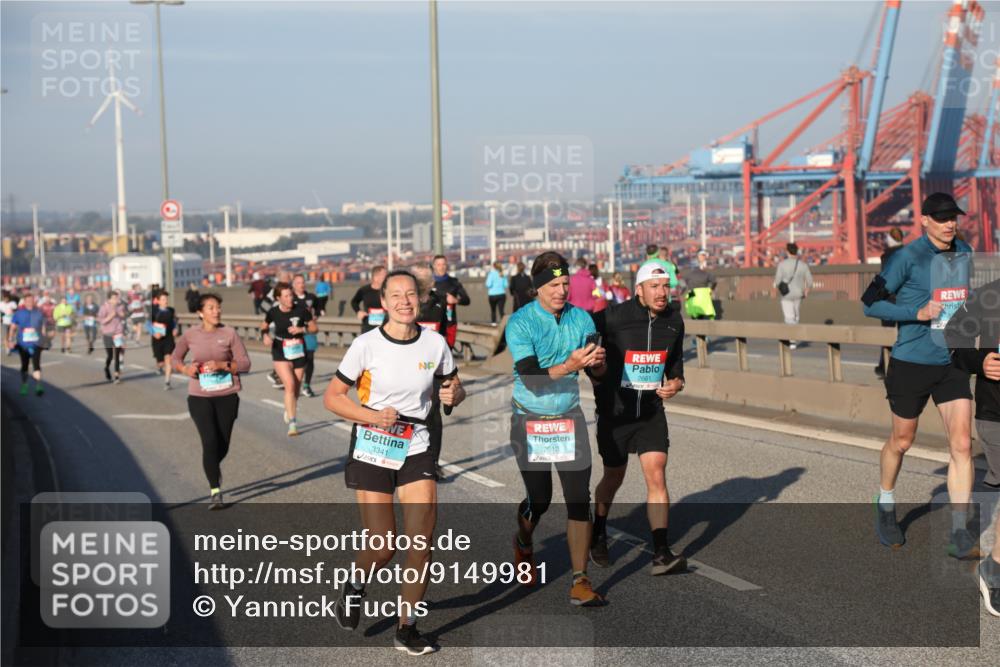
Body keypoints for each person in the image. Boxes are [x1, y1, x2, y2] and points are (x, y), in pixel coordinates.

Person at [324, 270, 465, 655]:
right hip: (373, 444)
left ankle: (407, 627)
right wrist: (371, 417)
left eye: (410, 295)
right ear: (383, 302)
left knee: (421, 540)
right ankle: (355, 582)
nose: (404, 301)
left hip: (417, 444)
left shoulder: (435, 344)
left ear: (419, 300)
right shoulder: (366, 346)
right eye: (395, 295)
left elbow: (454, 386)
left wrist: (455, 396)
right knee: (383, 545)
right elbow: (333, 397)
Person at [861, 192, 976, 556]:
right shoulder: (905, 257)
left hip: (953, 361)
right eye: (941, 217)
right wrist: (917, 312)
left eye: (953, 217)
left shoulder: (966, 252)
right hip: (912, 361)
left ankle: (959, 532)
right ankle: (886, 500)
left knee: (961, 445)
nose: (949, 223)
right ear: (924, 220)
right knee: (903, 440)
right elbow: (869, 304)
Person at [506, 251, 608, 607]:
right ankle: (523, 541)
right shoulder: (520, 323)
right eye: (553, 285)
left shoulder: (582, 319)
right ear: (538, 288)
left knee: (579, 500)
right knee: (540, 500)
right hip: (529, 420)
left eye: (565, 283)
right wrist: (569, 365)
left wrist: (597, 364)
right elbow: (532, 378)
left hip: (569, 419)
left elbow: (597, 375)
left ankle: (580, 580)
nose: (562, 290)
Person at [589, 262, 687, 575]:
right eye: (655, 287)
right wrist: (595, 369)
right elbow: (586, 344)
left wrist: (675, 384)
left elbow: (676, 367)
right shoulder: (613, 317)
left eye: (666, 287)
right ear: (639, 290)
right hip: (615, 413)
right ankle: (598, 531)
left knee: (656, 474)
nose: (662, 293)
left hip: (650, 413)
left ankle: (661, 552)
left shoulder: (674, 321)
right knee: (613, 478)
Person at [946, 275, 1000, 616]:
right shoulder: (990, 295)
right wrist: (979, 361)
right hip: (996, 412)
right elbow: (952, 335)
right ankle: (994, 569)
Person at [172, 293, 251, 510]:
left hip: (227, 395)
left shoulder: (229, 333)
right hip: (200, 396)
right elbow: (175, 358)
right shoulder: (190, 335)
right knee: (209, 442)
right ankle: (215, 490)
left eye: (218, 307)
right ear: (200, 313)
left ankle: (212, 468)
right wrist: (186, 369)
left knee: (222, 445)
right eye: (211, 308)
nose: (216, 311)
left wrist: (223, 365)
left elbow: (245, 363)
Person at [262, 282, 317, 436]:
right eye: (286, 296)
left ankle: (289, 408)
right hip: (280, 351)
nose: (290, 298)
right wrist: (265, 335)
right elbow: (263, 326)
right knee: (290, 385)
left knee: (296, 389)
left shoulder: (301, 310)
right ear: (278, 298)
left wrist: (302, 329)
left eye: (291, 295)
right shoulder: (273, 312)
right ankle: (293, 423)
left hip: (299, 351)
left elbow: (314, 328)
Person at [412, 263, 451, 480]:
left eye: (428, 277)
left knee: (433, 414)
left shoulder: (439, 301)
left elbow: (443, 333)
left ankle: (433, 463)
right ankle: (410, 458)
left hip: (434, 367)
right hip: (410, 367)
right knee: (412, 411)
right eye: (424, 277)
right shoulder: (408, 303)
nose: (429, 280)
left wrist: (448, 370)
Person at [875, 227, 907, 379]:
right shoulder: (910, 253)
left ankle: (884, 366)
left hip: (888, 300)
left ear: (891, 239)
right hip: (906, 299)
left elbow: (884, 278)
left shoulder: (886, 257)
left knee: (886, 334)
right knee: (906, 333)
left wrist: (869, 297)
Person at [773, 243, 813, 348]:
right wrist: (807, 290)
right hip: (798, 294)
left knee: (788, 317)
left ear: (787, 252)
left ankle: (792, 340)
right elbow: (810, 281)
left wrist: (782, 285)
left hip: (786, 294)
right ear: (797, 252)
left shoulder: (782, 265)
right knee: (796, 316)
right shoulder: (803, 265)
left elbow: (777, 281)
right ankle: (793, 338)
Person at [6, 293, 46, 396]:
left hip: (36, 343)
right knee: (25, 365)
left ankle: (38, 385)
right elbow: (13, 327)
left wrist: (44, 338)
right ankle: (24, 384)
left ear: (34, 301)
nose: (30, 302)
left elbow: (43, 327)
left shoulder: (39, 313)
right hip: (23, 344)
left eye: (31, 300)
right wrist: (10, 340)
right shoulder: (19, 313)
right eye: (28, 301)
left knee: (36, 364)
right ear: (24, 302)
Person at [431, 255, 470, 350]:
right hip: (433, 323)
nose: (441, 267)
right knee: (434, 353)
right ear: (434, 266)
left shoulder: (454, 282)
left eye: (444, 264)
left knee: (448, 351)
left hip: (450, 322)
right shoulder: (429, 283)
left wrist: (455, 300)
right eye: (439, 264)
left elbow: (467, 300)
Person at [292, 274, 320, 398]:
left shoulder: (311, 297)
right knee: (296, 360)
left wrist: (315, 316)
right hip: (294, 334)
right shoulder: (290, 297)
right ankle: (292, 382)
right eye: (298, 283)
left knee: (310, 358)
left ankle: (307, 385)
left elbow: (320, 309)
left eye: (303, 282)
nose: (301, 285)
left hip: (308, 332)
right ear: (293, 285)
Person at [150, 291, 179, 389]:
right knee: (161, 362)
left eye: (166, 299)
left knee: (169, 359)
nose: (165, 301)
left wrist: (175, 329)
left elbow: (174, 321)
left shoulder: (171, 310)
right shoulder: (153, 311)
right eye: (163, 299)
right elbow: (147, 324)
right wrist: (154, 333)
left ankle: (167, 382)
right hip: (157, 339)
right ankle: (159, 367)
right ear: (158, 301)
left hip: (168, 338)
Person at [99, 290, 127, 384]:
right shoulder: (104, 307)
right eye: (114, 298)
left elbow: (123, 316)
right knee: (110, 356)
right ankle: (106, 368)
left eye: (117, 298)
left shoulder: (120, 306)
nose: (116, 300)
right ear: (109, 299)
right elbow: (101, 321)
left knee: (117, 355)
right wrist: (110, 316)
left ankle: (116, 376)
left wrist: (119, 313)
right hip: (107, 334)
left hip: (118, 333)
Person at [351, 266, 387, 335]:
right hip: (368, 327)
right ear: (375, 277)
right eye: (384, 276)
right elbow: (354, 302)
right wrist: (358, 311)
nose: (387, 278)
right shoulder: (364, 290)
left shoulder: (388, 290)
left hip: (386, 327)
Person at [684, 250, 717, 321]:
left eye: (704, 255)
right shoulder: (695, 266)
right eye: (701, 255)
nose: (702, 257)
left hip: (699, 292)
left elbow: (686, 280)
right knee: (695, 308)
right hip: (698, 292)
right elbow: (714, 281)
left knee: (696, 309)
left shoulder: (708, 268)